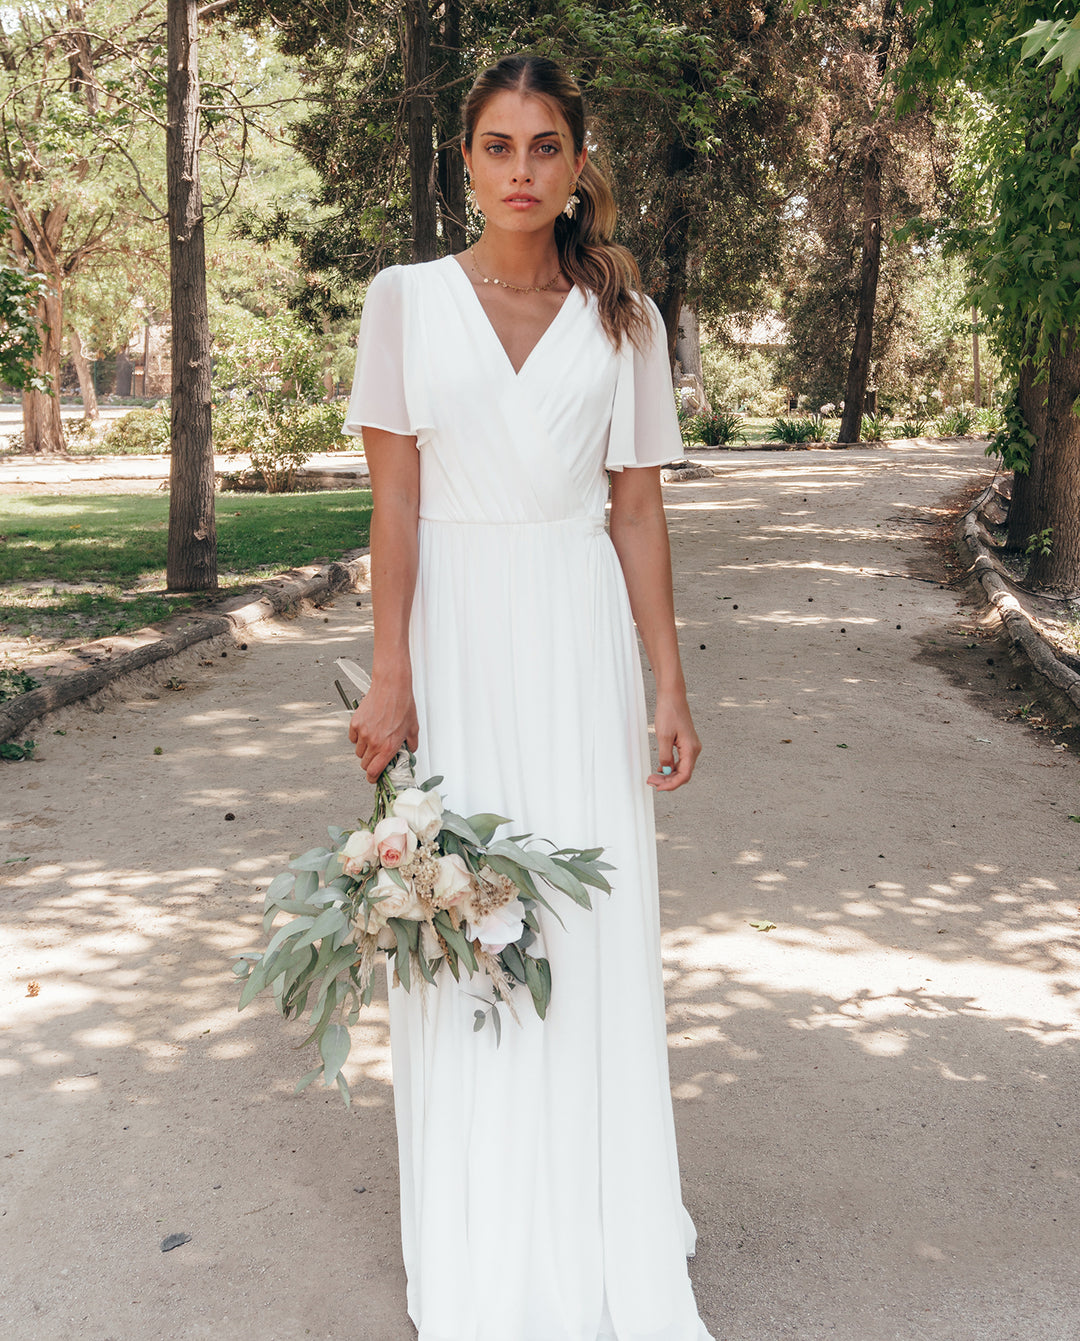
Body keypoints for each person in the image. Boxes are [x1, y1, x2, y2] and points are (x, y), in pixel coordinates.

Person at [344, 52, 711, 1341]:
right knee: (461, 922)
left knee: (583, 924)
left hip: (573, 638)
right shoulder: (404, 301)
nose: (521, 171)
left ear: (576, 166)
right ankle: (484, 1227)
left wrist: (668, 681)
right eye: (497, 147)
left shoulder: (628, 319)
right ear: (466, 163)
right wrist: (392, 672)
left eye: (544, 147)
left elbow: (637, 512)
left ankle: (600, 1219)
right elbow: (393, 506)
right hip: (455, 639)